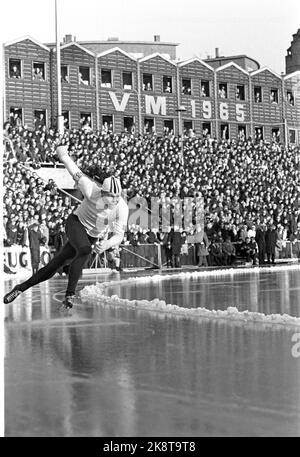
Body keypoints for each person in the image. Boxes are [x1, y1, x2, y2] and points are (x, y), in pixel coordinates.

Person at [4, 144, 129, 309]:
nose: (114, 200)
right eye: (111, 197)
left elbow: (119, 236)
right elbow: (74, 170)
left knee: (55, 264)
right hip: (76, 223)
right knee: (84, 251)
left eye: (117, 197)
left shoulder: (122, 207)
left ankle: (20, 288)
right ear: (102, 193)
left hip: (91, 235)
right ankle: (70, 295)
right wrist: (62, 154)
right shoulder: (90, 189)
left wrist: (106, 244)